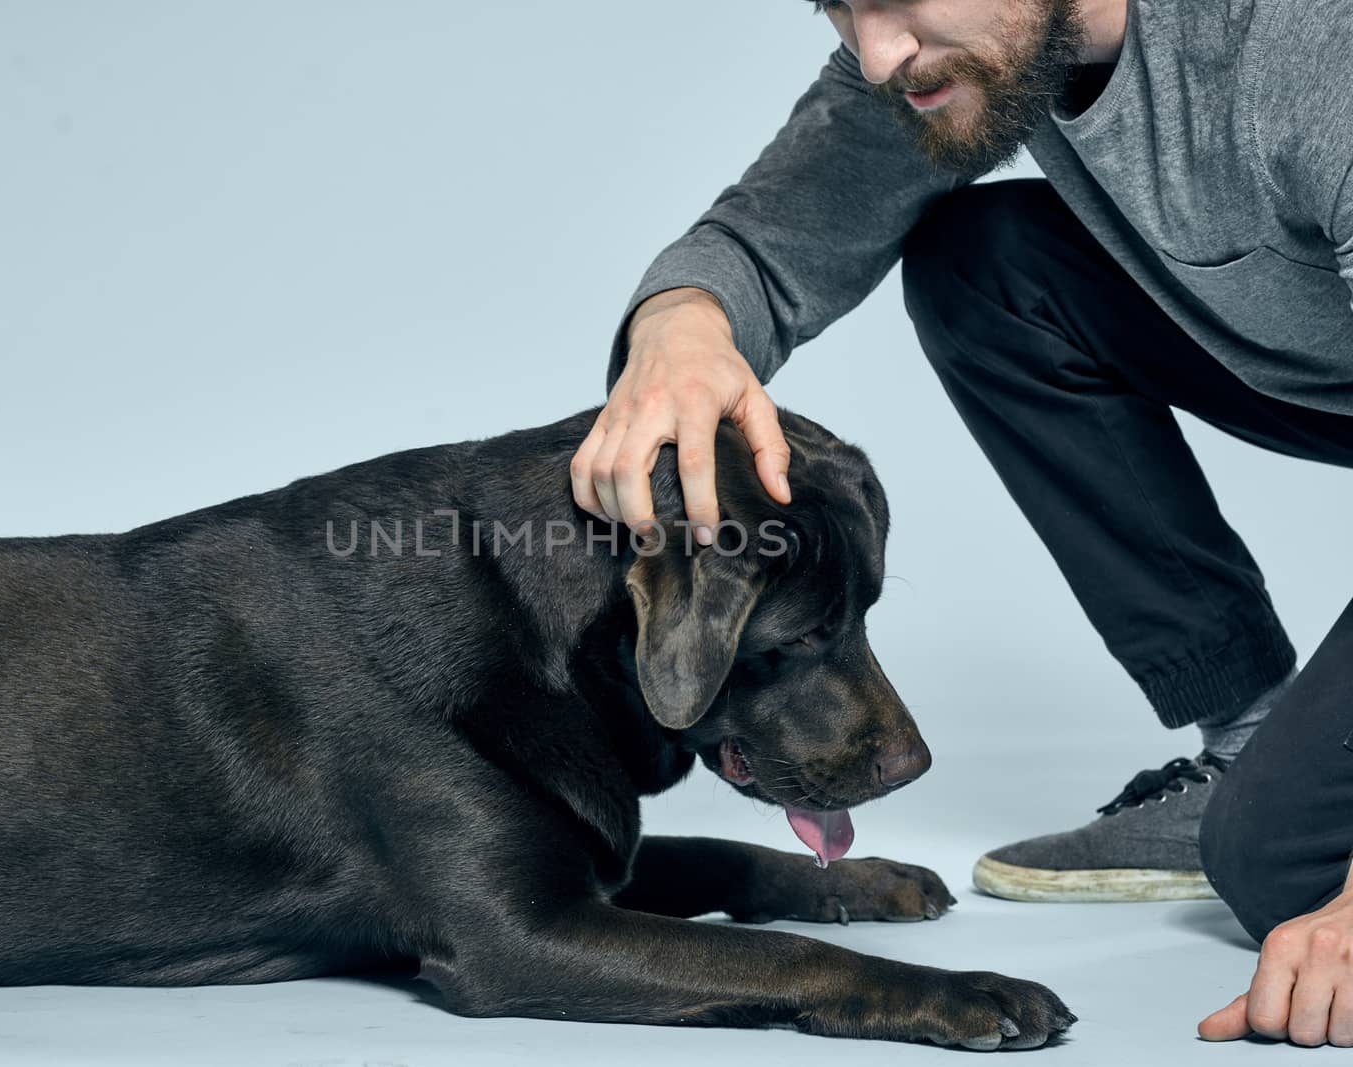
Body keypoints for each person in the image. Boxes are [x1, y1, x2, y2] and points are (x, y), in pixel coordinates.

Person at [570, 0, 1353, 1047]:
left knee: (1283, 868)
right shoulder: (959, 53)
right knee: (984, 263)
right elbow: (763, 242)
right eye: (841, 9)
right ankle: (1251, 741)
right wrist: (680, 331)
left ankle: (1272, 809)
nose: (875, 51)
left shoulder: (1310, 44)